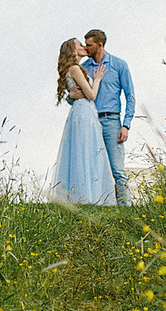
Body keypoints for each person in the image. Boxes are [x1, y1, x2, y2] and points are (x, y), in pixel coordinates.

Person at [48, 37, 114, 205]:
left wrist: (71, 95)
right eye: (79, 44)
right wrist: (97, 79)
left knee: (81, 151)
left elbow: (75, 93)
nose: (84, 46)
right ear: (73, 50)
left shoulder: (73, 69)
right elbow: (91, 95)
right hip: (84, 111)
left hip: (81, 111)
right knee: (87, 151)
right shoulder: (76, 69)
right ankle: (87, 197)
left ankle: (85, 196)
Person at [79, 28, 135, 205]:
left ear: (100, 45)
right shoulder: (84, 68)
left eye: (89, 45)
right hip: (91, 121)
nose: (86, 48)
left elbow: (130, 96)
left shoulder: (119, 65)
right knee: (92, 167)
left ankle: (125, 207)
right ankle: (97, 205)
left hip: (112, 122)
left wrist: (126, 125)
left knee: (117, 169)